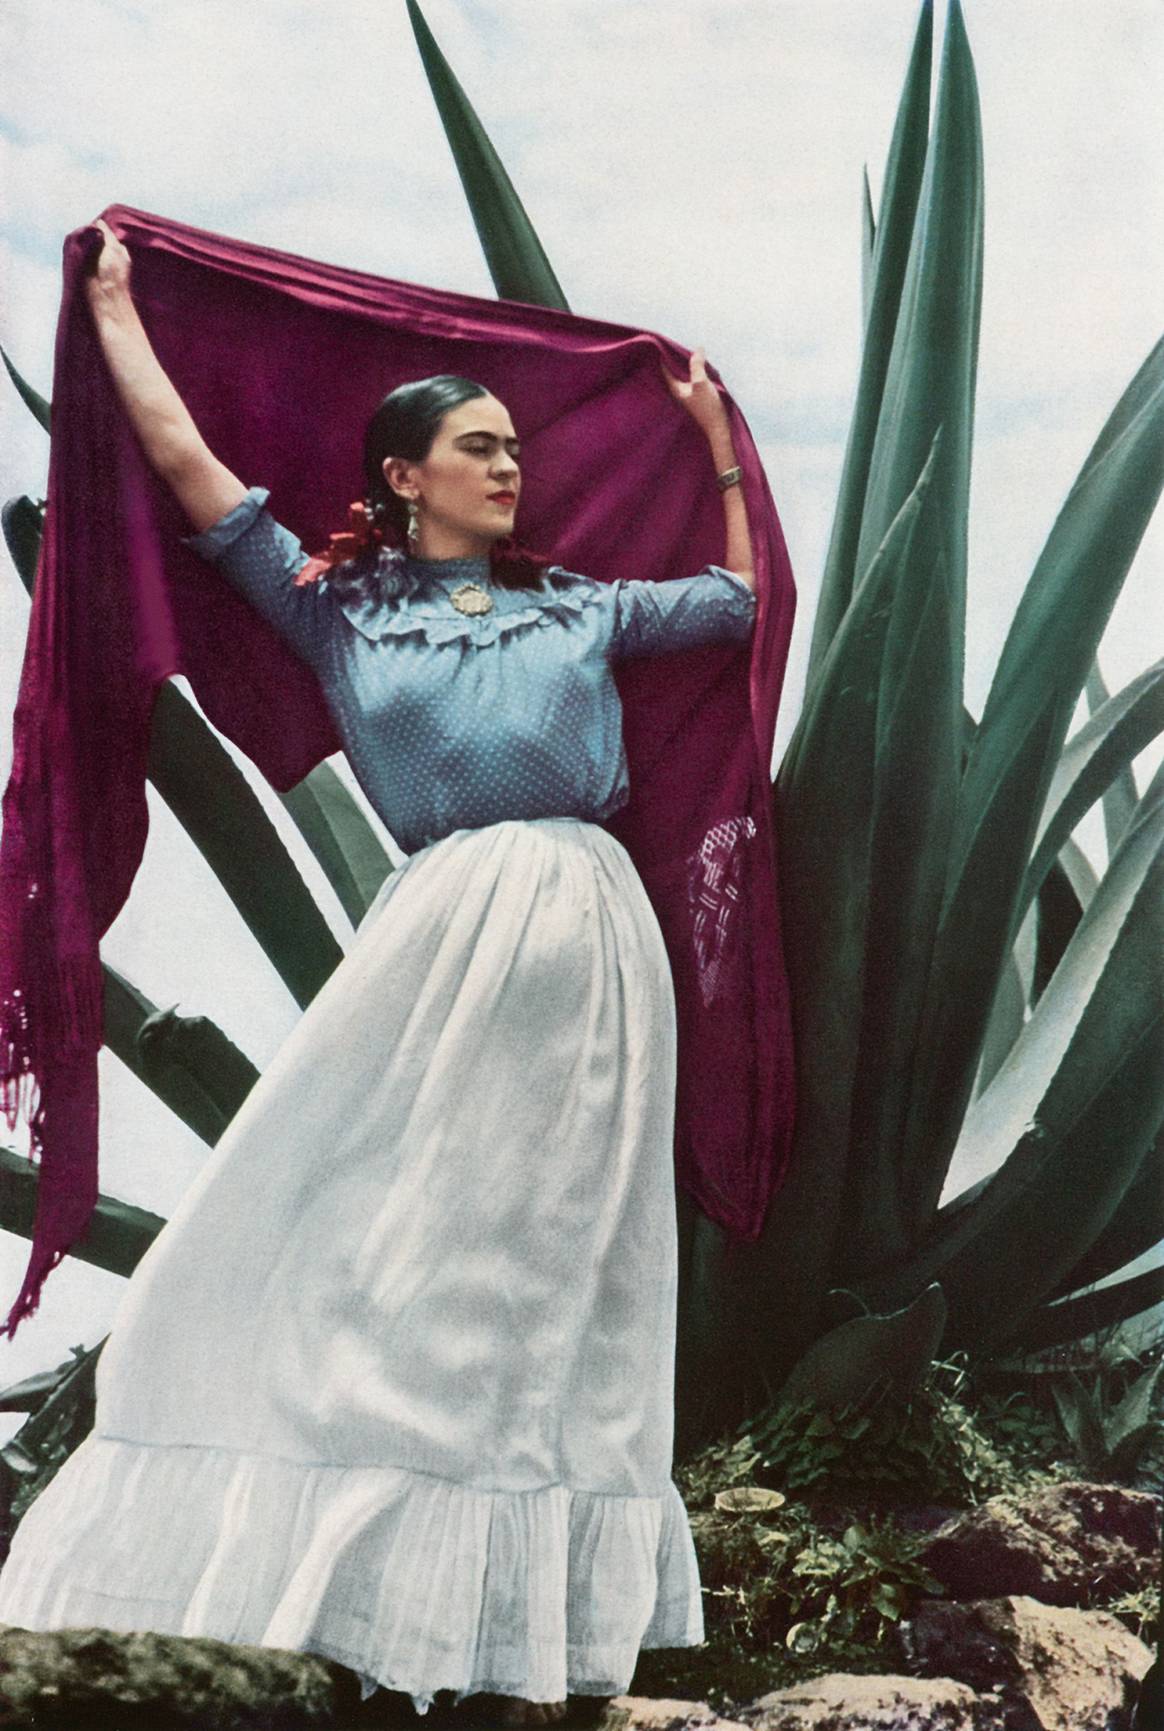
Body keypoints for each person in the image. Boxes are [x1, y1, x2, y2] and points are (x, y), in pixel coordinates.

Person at [0, 217, 758, 1726]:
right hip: (439, 932)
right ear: (403, 478)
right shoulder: (336, 607)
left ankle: (500, 1627)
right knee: (345, 1214)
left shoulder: (580, 605)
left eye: (513, 449)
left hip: (586, 931)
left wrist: (717, 445)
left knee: (543, 1271)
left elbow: (737, 605)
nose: (508, 468)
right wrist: (115, 318)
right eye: (477, 448)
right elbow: (187, 468)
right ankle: (316, 1561)